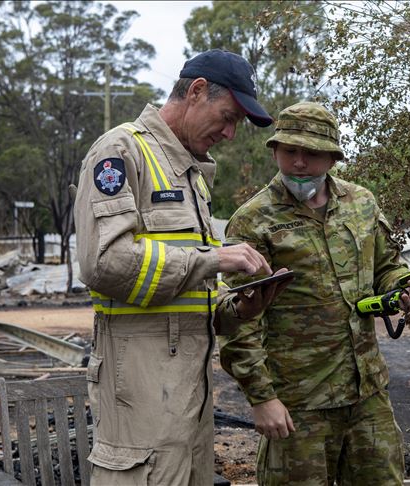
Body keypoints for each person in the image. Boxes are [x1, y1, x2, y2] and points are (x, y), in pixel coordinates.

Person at [73, 49, 291, 486]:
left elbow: (188, 290)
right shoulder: (120, 151)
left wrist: (237, 307)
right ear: (196, 92)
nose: (229, 134)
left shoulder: (191, 175)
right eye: (227, 117)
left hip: (189, 394)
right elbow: (104, 262)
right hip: (139, 389)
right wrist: (213, 258)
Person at [219, 102, 410, 485]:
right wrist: (262, 398)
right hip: (298, 404)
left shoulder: (361, 203)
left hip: (367, 396)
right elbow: (238, 318)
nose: (299, 162)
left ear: (332, 157)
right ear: (275, 150)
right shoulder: (253, 220)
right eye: (289, 151)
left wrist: (401, 286)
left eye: (311, 153)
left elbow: (386, 267)